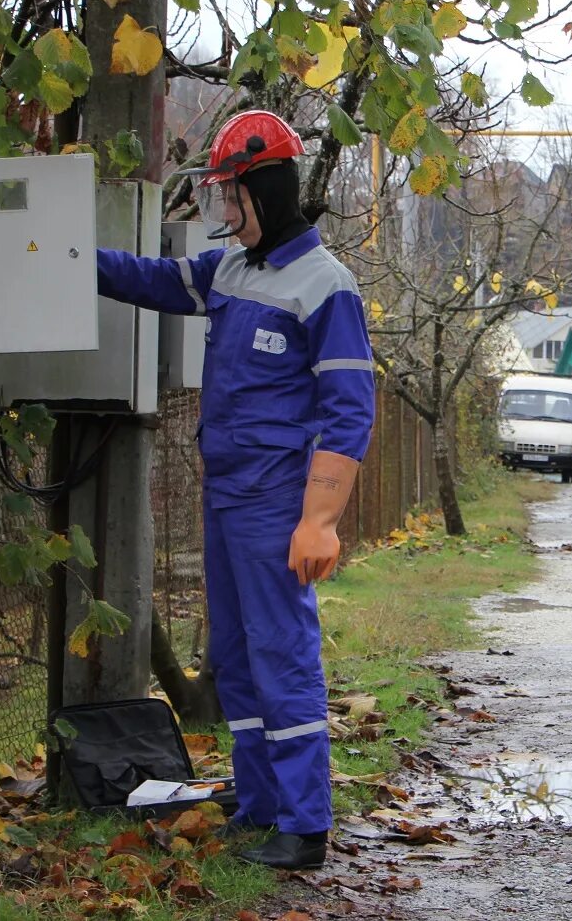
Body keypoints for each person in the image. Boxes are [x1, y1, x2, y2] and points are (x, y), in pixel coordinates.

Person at [96, 110, 376, 870]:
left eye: (233, 196)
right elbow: (157, 280)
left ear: (268, 189)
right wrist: (75, 262)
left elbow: (350, 410)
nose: (223, 213)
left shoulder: (325, 285)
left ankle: (305, 824)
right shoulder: (230, 271)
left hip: (276, 501)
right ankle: (259, 805)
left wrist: (319, 519)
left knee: (283, 655)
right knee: (240, 657)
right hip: (227, 498)